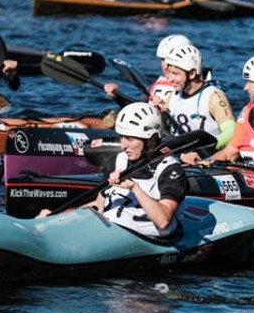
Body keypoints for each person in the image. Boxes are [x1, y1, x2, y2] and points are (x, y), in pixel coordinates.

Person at [80, 102, 187, 238]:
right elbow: (99, 204)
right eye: (121, 137)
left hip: (144, 239)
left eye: (129, 139)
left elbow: (163, 221)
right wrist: (64, 218)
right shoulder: (117, 161)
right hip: (110, 230)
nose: (123, 145)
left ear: (151, 140)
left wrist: (134, 188)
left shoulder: (170, 170)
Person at [162, 44, 235, 162]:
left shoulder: (214, 96)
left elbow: (231, 132)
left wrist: (205, 148)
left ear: (191, 73)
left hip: (208, 159)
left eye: (175, 74)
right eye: (169, 73)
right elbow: (163, 131)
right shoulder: (172, 96)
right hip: (180, 157)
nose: (170, 79)